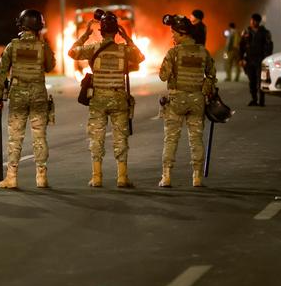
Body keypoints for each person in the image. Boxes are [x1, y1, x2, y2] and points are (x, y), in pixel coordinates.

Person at [69, 11, 144, 188]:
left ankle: (96, 177)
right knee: (121, 138)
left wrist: (85, 35)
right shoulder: (123, 50)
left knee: (96, 137)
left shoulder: (93, 48)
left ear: (101, 31)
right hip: (119, 99)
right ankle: (122, 177)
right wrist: (127, 38)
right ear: (116, 31)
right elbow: (140, 57)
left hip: (98, 99)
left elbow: (72, 52)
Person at [0, 9, 56, 189]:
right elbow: (50, 66)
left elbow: (1, 73)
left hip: (18, 96)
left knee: (15, 137)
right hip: (38, 95)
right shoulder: (42, 47)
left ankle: (11, 177)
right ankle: (41, 177)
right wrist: (46, 45)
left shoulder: (12, 46)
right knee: (39, 137)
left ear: (22, 25)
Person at [158, 14, 216, 188]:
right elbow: (211, 75)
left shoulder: (174, 52)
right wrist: (205, 89)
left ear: (182, 34)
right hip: (197, 100)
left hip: (177, 101)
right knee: (196, 139)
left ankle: (166, 177)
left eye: (174, 33)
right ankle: (197, 178)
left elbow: (163, 76)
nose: (172, 36)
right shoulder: (203, 51)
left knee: (170, 139)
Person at [240, 13, 272, 106]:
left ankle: (261, 100)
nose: (252, 22)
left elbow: (268, 46)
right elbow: (241, 46)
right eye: (251, 20)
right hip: (249, 60)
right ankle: (254, 99)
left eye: (254, 20)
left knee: (260, 81)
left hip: (260, 60)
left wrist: (266, 58)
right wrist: (241, 58)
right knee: (252, 81)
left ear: (258, 22)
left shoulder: (265, 33)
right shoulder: (246, 32)